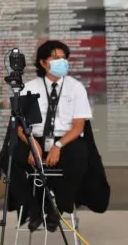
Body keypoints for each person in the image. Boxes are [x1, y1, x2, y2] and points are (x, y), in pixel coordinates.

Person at [11, 40, 92, 232]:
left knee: (80, 156)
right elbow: (20, 126)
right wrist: (33, 145)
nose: (61, 62)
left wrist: (59, 146)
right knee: (10, 157)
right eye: (56, 58)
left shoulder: (76, 87)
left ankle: (56, 209)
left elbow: (79, 125)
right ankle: (32, 209)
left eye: (64, 58)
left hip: (64, 139)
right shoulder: (29, 87)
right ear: (43, 63)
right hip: (34, 138)